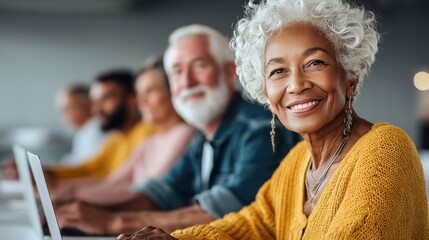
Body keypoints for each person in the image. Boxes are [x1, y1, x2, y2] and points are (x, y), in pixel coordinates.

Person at [119, 0, 429, 239]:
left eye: (315, 62)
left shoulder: (385, 150)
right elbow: (250, 224)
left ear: (350, 77)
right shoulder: (296, 162)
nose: (296, 85)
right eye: (278, 71)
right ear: (265, 90)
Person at [54, 24, 300, 236]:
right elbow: (161, 193)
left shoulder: (260, 129)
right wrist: (81, 211)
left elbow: (227, 213)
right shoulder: (203, 134)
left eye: (199, 66)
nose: (187, 82)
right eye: (177, 72)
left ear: (228, 73)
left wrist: (112, 222)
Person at [52, 56, 195, 205]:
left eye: (150, 91)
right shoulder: (151, 140)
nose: (140, 102)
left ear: (173, 90)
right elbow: (114, 183)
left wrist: (74, 198)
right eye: (139, 94)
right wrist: (63, 194)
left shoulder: (184, 133)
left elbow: (145, 193)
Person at [47, 70, 155, 181]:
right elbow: (88, 169)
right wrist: (48, 172)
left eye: (106, 98)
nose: (95, 109)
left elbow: (123, 184)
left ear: (132, 99)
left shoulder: (147, 134)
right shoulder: (117, 138)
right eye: (95, 101)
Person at [56, 83, 108, 166]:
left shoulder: (97, 131)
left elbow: (87, 168)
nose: (66, 116)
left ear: (89, 104)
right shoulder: (83, 131)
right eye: (63, 111)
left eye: (70, 108)